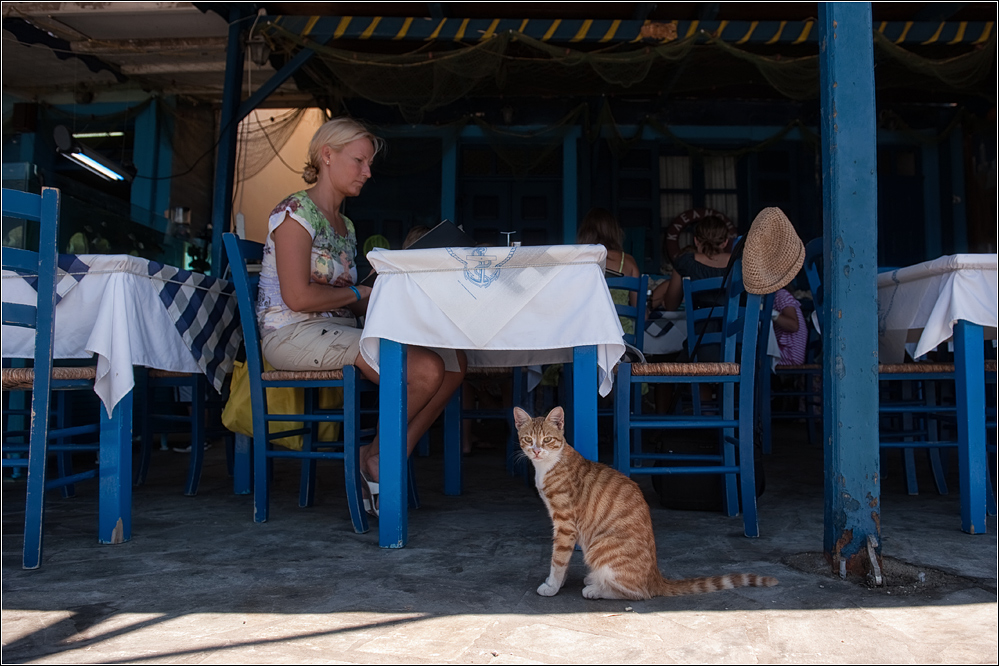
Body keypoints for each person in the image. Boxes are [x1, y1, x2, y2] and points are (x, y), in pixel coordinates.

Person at [256, 117, 466, 515]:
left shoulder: (344, 225)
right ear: (327, 155)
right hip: (291, 334)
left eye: (369, 163)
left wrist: (393, 293)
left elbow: (347, 299)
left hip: (337, 329)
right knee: (423, 370)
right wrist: (358, 292)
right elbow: (298, 297)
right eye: (360, 161)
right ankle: (378, 460)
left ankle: (379, 454)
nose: (367, 173)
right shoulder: (294, 212)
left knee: (454, 362)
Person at [576, 208, 641, 335]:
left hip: (587, 337)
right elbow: (641, 314)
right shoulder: (628, 262)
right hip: (621, 336)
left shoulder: (577, 261)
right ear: (614, 232)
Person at [649, 215, 733, 312]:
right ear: (725, 242)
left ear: (696, 241)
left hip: (701, 325)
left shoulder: (686, 262)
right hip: (736, 325)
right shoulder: (738, 262)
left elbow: (671, 306)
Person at [771, 287, 807, 366]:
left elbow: (793, 326)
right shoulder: (776, 296)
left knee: (754, 357)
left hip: (791, 354)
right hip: (787, 351)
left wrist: (773, 314)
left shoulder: (781, 295)